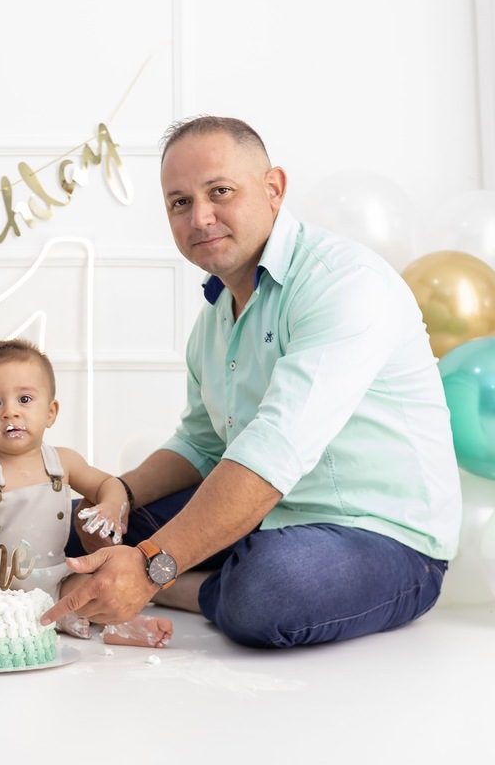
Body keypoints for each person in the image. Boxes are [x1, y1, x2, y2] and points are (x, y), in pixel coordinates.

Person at [41, 116, 462, 648]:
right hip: (266, 520)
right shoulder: (212, 323)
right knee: (86, 526)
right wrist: (117, 493)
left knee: (265, 590)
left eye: (220, 191)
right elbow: (201, 443)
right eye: (179, 203)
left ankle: (192, 589)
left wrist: (151, 568)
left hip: (385, 539)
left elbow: (273, 449)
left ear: (273, 189)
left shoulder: (344, 283)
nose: (201, 217)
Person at [0, 338, 172, 647]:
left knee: (95, 587)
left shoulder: (62, 462)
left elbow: (110, 484)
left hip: (55, 576)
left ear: (51, 412)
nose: (10, 412)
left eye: (24, 399)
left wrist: (110, 505)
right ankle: (55, 618)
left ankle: (123, 625)